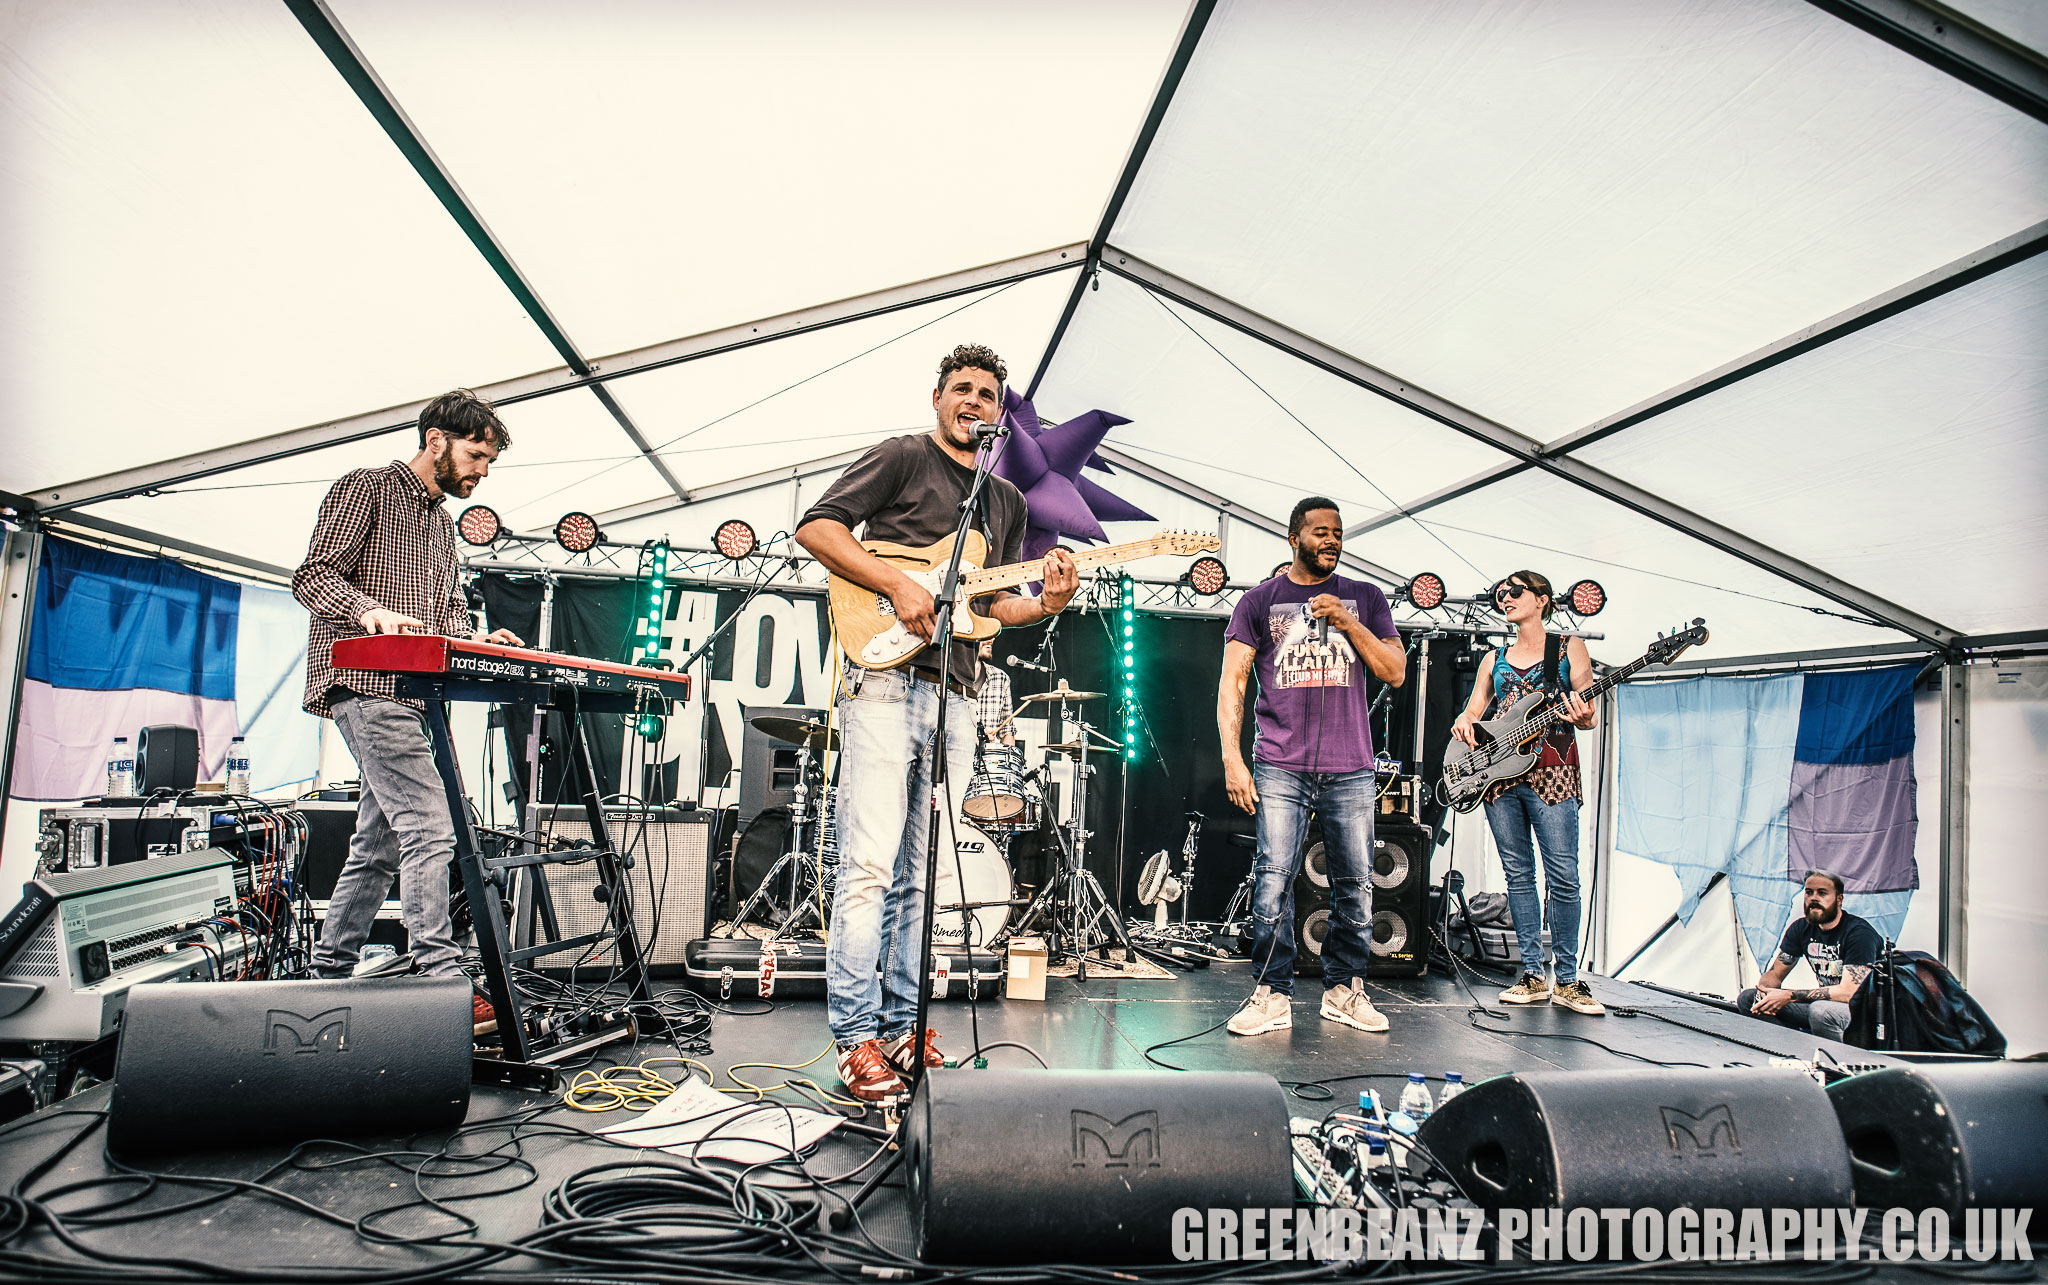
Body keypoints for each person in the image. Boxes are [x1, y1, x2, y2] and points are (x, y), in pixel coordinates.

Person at [796, 344, 1078, 1101]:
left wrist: (1047, 601)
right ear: (938, 397)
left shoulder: (1008, 504)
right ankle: (855, 1039)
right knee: (866, 867)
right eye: (963, 388)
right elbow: (817, 529)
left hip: (956, 695)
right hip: (884, 682)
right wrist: (897, 582)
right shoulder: (903, 457)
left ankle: (900, 1029)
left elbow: (995, 610)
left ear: (1000, 411)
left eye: (988, 393)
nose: (974, 401)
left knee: (920, 878)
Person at [293, 389, 521, 1037]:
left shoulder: (444, 526)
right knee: (430, 828)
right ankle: (442, 982)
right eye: (477, 454)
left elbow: (448, 616)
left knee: (379, 842)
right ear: (435, 440)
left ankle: (328, 971)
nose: (482, 470)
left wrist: (479, 643)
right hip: (366, 682)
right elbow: (312, 575)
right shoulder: (364, 487)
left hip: (418, 695)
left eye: (490, 460)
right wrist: (368, 611)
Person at [1217, 497, 1405, 1036]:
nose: (1332, 540)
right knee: (1273, 879)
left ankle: (1345, 990)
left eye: (1338, 533)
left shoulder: (1365, 598)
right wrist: (1233, 758)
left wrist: (1348, 620)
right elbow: (1232, 682)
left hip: (1351, 766)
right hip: (1280, 764)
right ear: (1294, 537)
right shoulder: (1259, 602)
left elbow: (1394, 670)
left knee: (1356, 884)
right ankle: (1271, 994)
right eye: (1321, 531)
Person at [1449, 570, 1604, 1015]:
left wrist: (1583, 716)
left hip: (1553, 769)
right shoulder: (1493, 657)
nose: (1506, 597)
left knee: (1563, 876)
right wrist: (1464, 721)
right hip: (1500, 777)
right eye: (1501, 592)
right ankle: (1533, 974)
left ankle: (1570, 981)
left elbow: (1587, 712)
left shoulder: (1568, 646)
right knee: (1518, 875)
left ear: (1542, 600)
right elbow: (1475, 709)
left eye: (1516, 591)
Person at [1736, 870, 1881, 1043]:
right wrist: (1764, 992)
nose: (1813, 898)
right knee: (1748, 999)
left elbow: (1849, 993)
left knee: (1820, 1011)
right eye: (1809, 892)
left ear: (1839, 899)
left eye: (1822, 893)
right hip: (1823, 1005)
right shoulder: (1801, 929)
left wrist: (1789, 995)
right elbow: (1775, 974)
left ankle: (1838, 1063)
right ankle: (1790, 1053)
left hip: (1860, 1014)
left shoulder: (1859, 934)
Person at [974, 639, 1015, 750]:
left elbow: (1007, 730)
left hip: (986, 762)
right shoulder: (948, 676)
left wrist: (1008, 762)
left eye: (993, 635)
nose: (991, 640)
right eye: (986, 633)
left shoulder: (1001, 678)